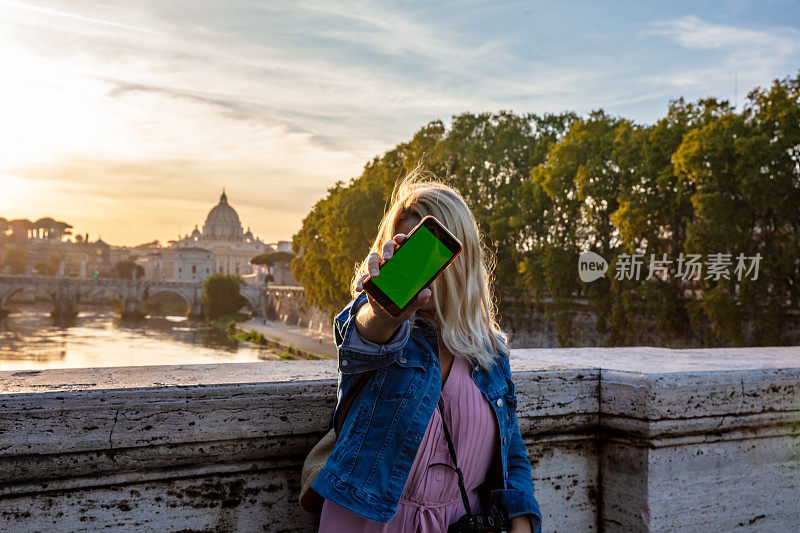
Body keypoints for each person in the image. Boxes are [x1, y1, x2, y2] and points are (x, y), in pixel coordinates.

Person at [310, 168, 542, 533]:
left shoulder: (490, 352)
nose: (415, 265)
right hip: (368, 523)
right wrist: (383, 311)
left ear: (458, 262)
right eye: (401, 249)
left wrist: (522, 524)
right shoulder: (385, 329)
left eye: (422, 252)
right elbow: (360, 338)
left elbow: (511, 451)